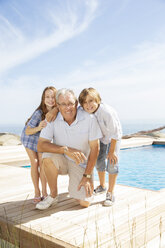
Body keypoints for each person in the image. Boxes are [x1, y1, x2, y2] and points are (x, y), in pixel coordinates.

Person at [36, 88, 102, 210]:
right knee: (47, 156)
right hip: (62, 159)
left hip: (81, 164)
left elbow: (95, 148)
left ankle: (76, 186)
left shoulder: (89, 119)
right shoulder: (51, 119)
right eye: (63, 104)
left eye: (71, 103)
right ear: (58, 106)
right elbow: (41, 145)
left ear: (76, 104)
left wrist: (87, 176)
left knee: (84, 203)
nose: (68, 108)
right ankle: (53, 195)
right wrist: (65, 149)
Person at [78, 87, 122, 206]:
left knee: (112, 162)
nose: (88, 105)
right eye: (85, 102)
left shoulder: (106, 112)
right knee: (99, 161)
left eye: (91, 100)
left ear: (97, 100)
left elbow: (115, 133)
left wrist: (111, 151)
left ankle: (110, 192)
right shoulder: (84, 110)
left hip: (114, 138)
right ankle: (102, 186)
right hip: (102, 137)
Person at [21, 86, 58, 203]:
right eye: (47, 97)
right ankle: (37, 191)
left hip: (41, 141)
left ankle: (44, 192)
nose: (50, 99)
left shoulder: (57, 112)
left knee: (43, 164)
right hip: (29, 138)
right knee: (35, 162)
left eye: (53, 97)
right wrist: (39, 127)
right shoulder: (38, 113)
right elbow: (28, 130)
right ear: (43, 99)